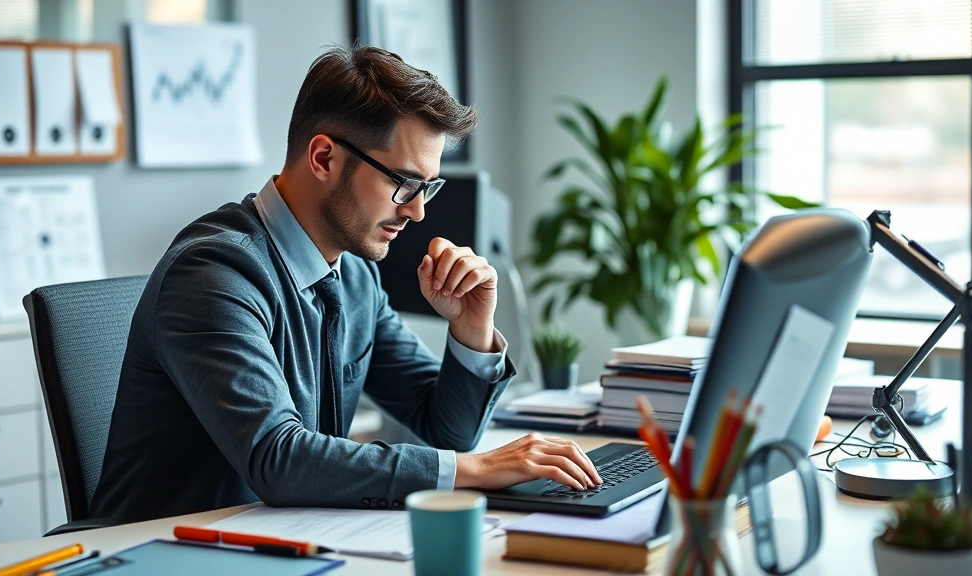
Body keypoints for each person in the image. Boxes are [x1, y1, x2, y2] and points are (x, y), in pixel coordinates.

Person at [90, 44, 601, 521]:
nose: (419, 211)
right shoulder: (213, 274)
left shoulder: (353, 278)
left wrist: (472, 330)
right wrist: (473, 472)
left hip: (289, 539)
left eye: (429, 186)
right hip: (164, 552)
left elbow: (447, 428)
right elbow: (278, 457)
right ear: (324, 158)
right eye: (404, 183)